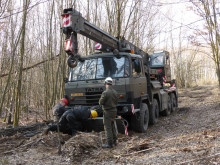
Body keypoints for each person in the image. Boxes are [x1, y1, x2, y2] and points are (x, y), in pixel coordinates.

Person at [99, 77, 118, 148]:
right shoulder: (115, 92)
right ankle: (115, 141)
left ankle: (109, 144)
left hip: (107, 111)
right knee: (112, 126)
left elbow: (100, 102)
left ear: (106, 84)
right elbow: (116, 102)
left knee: (108, 128)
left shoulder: (105, 92)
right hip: (114, 110)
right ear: (111, 84)